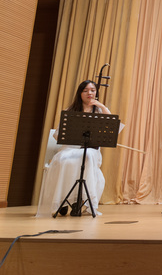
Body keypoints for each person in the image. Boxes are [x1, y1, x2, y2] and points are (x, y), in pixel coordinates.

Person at [37, 80, 112, 217]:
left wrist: (100, 105)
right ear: (80, 93)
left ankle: (80, 200)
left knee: (87, 157)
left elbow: (111, 124)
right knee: (63, 159)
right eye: (85, 90)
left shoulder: (99, 110)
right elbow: (58, 133)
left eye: (93, 90)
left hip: (90, 149)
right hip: (70, 147)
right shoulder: (70, 110)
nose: (89, 93)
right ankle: (62, 200)